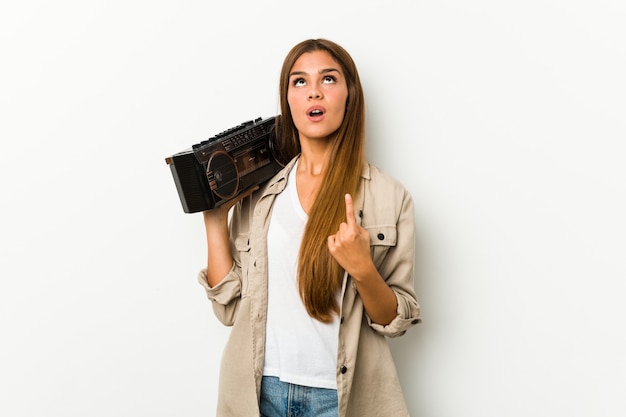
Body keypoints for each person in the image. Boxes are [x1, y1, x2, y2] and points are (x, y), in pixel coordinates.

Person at [198, 38, 421, 417]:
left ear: (350, 94)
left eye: (329, 79)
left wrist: (362, 269)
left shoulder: (389, 196)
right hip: (258, 393)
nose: (313, 91)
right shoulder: (260, 194)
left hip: (338, 399)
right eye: (299, 82)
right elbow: (230, 310)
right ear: (287, 100)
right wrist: (215, 222)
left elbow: (395, 322)